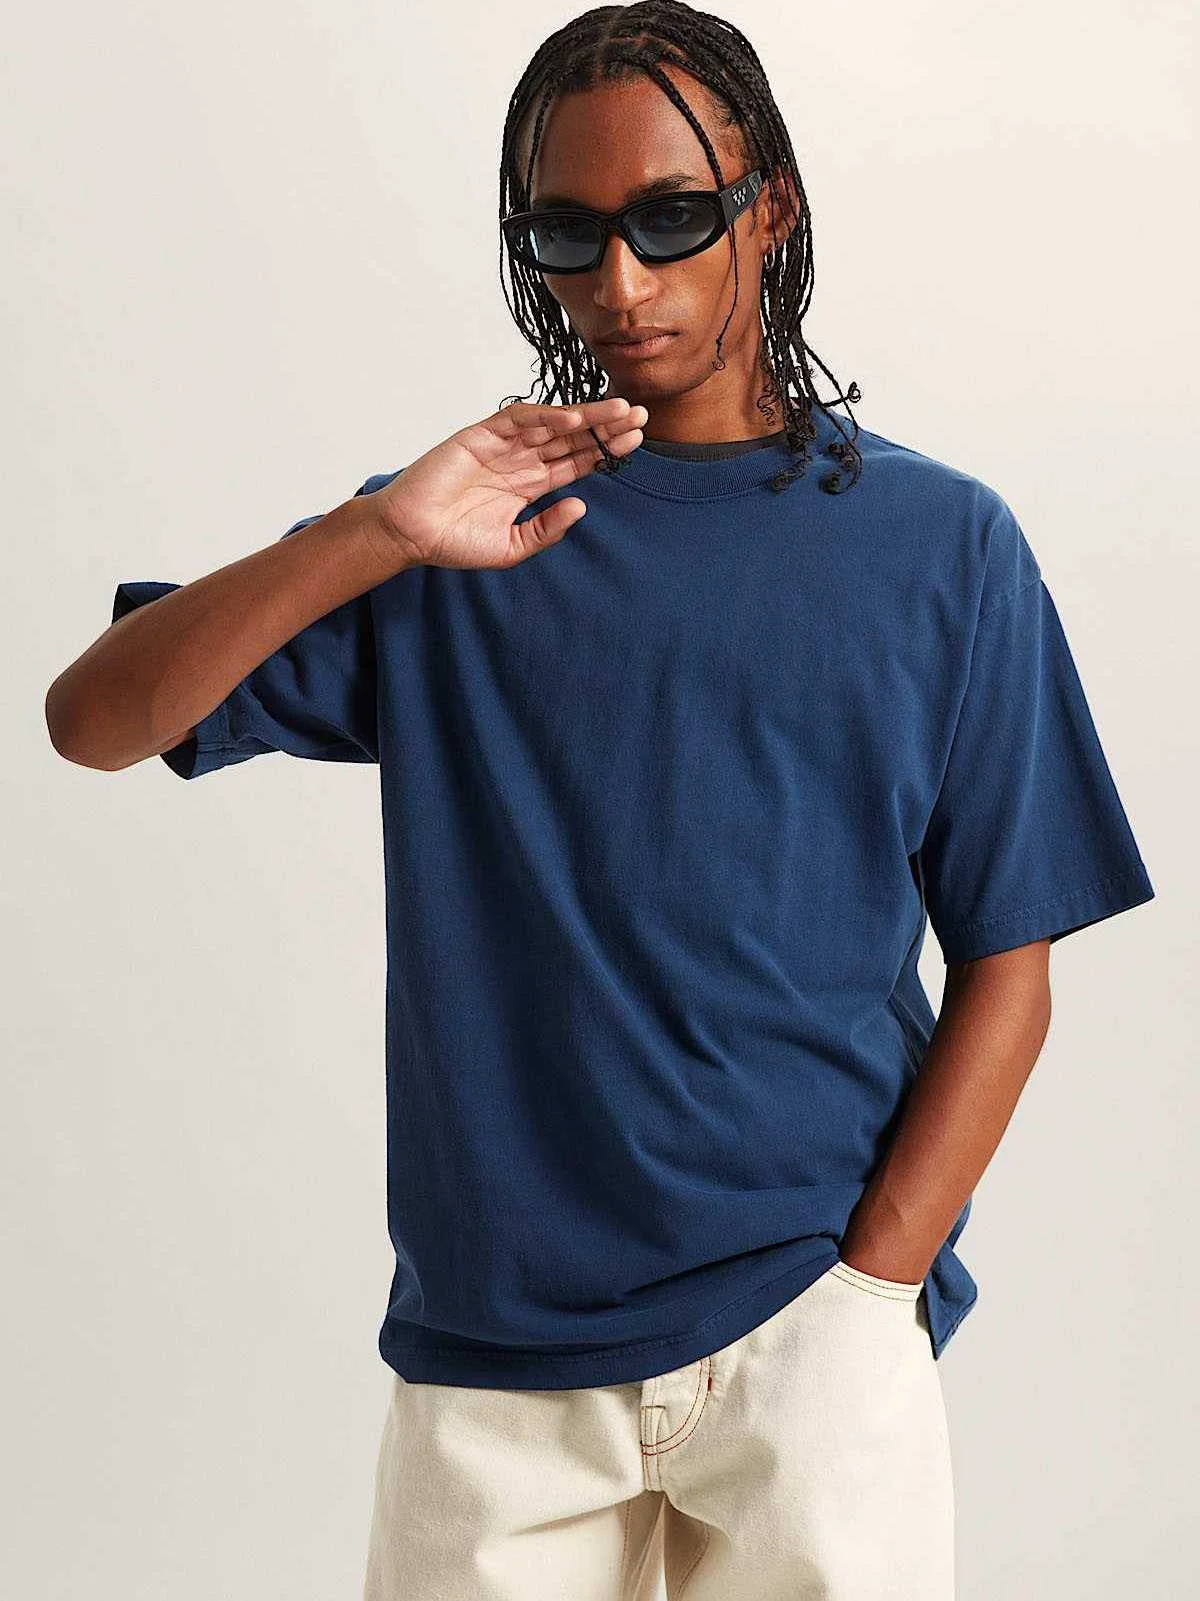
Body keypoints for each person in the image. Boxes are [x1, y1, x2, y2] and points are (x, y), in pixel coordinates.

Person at [46, 3, 1156, 1596]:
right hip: (496, 1364)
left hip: (808, 1334)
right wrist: (375, 534)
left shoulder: (939, 548)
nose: (620, 282)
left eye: (672, 218)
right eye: (567, 234)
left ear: (769, 209)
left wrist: (870, 1289)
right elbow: (95, 720)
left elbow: (1013, 960)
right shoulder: (465, 533)